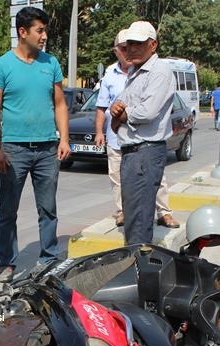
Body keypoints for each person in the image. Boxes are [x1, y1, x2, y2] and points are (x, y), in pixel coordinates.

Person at [0, 6, 71, 284]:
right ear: (22, 32)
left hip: (48, 148)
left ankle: (48, 258)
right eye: (40, 30)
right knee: (7, 208)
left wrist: (64, 138)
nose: (45, 35)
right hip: (14, 150)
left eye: (45, 30)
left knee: (47, 207)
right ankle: (7, 262)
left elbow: (60, 103)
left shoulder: (51, 63)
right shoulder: (1, 66)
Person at [95, 29, 179, 229]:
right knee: (131, 210)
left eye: (136, 44)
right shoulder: (120, 73)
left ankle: (161, 218)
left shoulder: (158, 71)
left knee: (141, 214)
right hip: (125, 146)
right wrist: (112, 122)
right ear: (117, 51)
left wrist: (121, 116)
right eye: (126, 46)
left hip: (145, 149)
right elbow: (108, 109)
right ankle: (132, 240)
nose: (130, 50)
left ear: (152, 45)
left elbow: (146, 112)